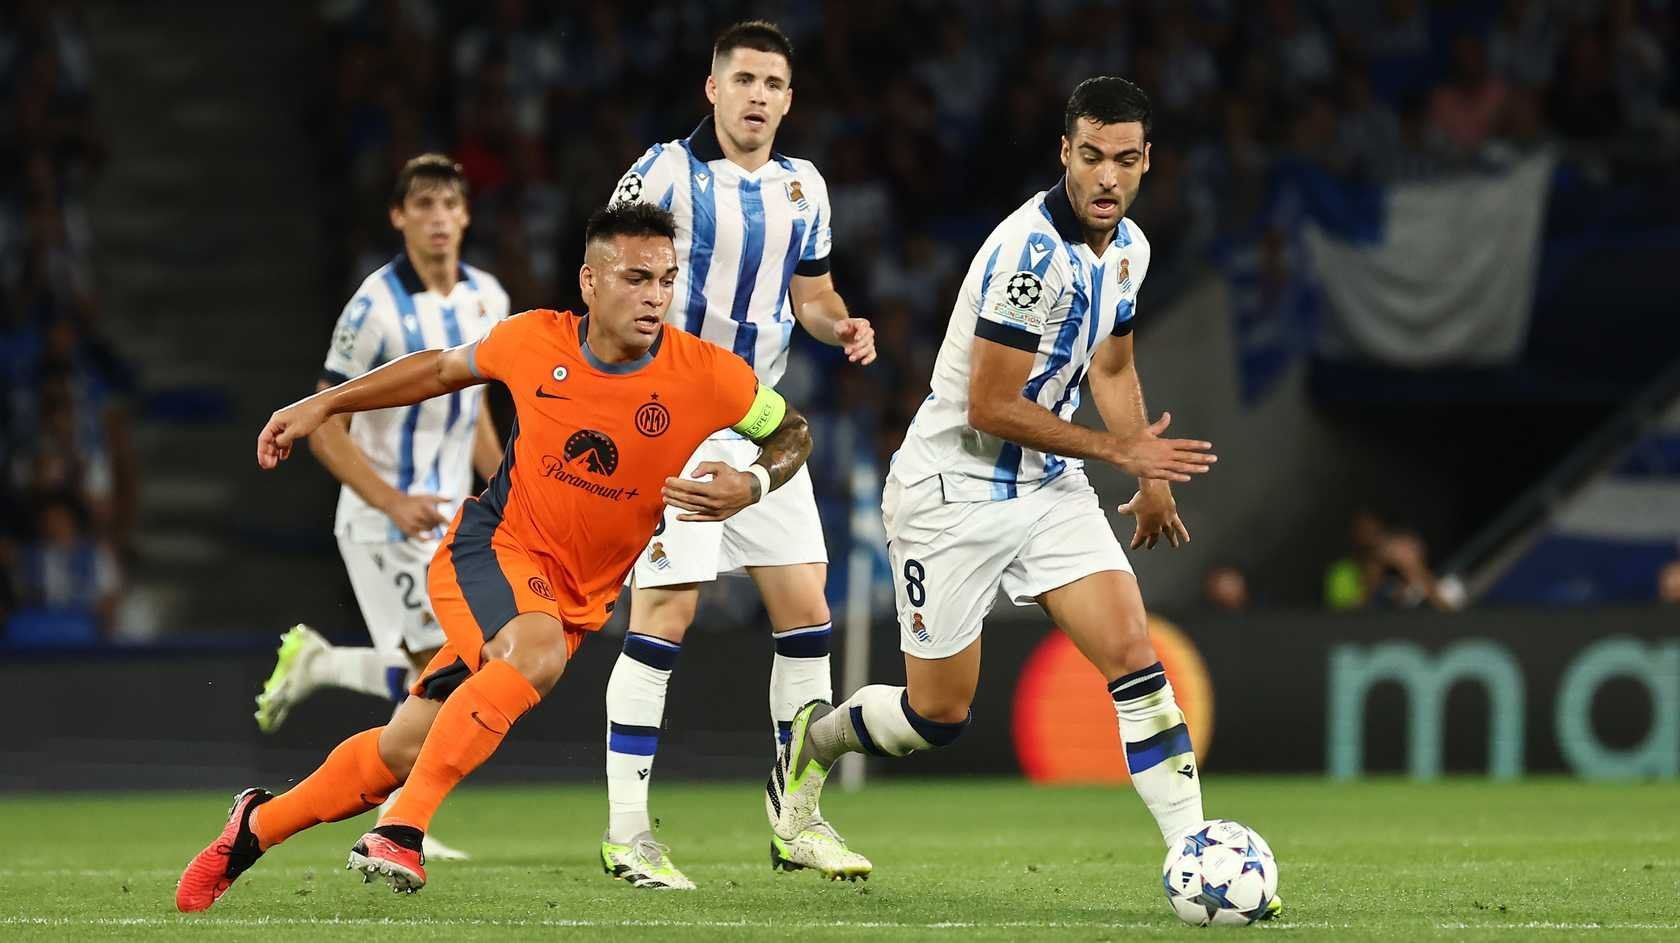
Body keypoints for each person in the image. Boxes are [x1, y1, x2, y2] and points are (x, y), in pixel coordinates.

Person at [175, 203, 814, 911]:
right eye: (636, 278)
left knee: (401, 749)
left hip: (572, 599)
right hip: (487, 552)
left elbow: (790, 431)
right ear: (591, 281)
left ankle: (253, 827)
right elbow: (437, 370)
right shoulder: (534, 340)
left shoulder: (706, 374)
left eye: (666, 279)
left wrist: (754, 482)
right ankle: (402, 831)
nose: (655, 296)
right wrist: (323, 405)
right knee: (533, 654)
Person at [763, 76, 1279, 921]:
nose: (1105, 177)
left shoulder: (1131, 250)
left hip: (1046, 487)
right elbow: (989, 405)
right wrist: (1121, 449)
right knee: (938, 713)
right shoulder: (1025, 256)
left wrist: (1146, 471)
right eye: (1089, 157)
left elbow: (1110, 370)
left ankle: (1194, 853)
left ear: (1147, 161)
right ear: (1064, 154)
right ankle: (812, 739)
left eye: (1123, 159)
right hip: (948, 493)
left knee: (1135, 659)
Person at [600, 20, 874, 888]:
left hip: (762, 421)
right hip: (671, 420)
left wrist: (842, 326)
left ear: (789, 100)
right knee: (666, 617)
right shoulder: (664, 173)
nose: (758, 95)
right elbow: (609, 273)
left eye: (774, 84)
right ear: (712, 89)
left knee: (807, 613)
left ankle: (798, 819)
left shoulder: (805, 188)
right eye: (744, 79)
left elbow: (815, 292)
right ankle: (627, 832)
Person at [251, 154, 509, 862]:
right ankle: (401, 817)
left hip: (457, 523)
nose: (436, 218)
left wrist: (508, 493)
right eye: (421, 205)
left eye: (448, 204)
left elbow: (476, 411)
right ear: (399, 217)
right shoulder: (371, 307)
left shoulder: (488, 295)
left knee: (459, 664)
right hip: (381, 523)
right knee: (447, 664)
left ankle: (324, 665)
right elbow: (324, 418)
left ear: (465, 215)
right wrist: (389, 500)